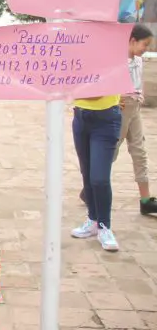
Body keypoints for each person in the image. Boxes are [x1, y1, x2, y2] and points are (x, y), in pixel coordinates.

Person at [70, 88, 122, 251]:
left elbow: (99, 92)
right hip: (81, 117)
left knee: (99, 178)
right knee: (86, 172)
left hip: (106, 119)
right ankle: (92, 219)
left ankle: (104, 226)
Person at [116, 24, 156, 215]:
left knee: (139, 152)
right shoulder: (117, 60)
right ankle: (89, 191)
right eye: (145, 44)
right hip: (121, 109)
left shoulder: (139, 60)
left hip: (135, 108)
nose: (146, 49)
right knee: (111, 153)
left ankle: (146, 199)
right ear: (132, 41)